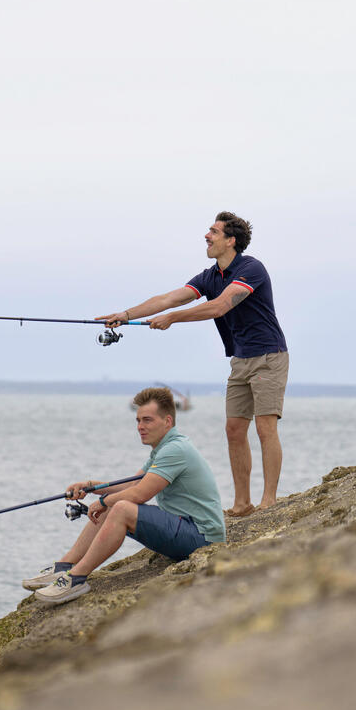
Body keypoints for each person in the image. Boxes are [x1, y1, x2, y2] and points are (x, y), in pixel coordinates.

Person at [100, 212, 288, 518]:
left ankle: (269, 501)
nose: (207, 236)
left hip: (269, 356)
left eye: (214, 232)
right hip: (240, 359)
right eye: (208, 231)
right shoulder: (210, 276)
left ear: (231, 241)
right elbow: (169, 299)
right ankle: (242, 504)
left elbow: (220, 306)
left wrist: (173, 319)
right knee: (234, 429)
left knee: (266, 427)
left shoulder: (250, 268)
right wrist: (126, 314)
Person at [24, 387, 224, 605]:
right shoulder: (164, 449)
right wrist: (89, 486)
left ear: (167, 421)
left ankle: (76, 579)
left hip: (201, 538)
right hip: (186, 528)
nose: (140, 427)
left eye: (147, 420)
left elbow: (139, 494)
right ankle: (65, 565)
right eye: (138, 420)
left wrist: (102, 502)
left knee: (121, 508)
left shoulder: (176, 450)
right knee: (116, 504)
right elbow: (131, 484)